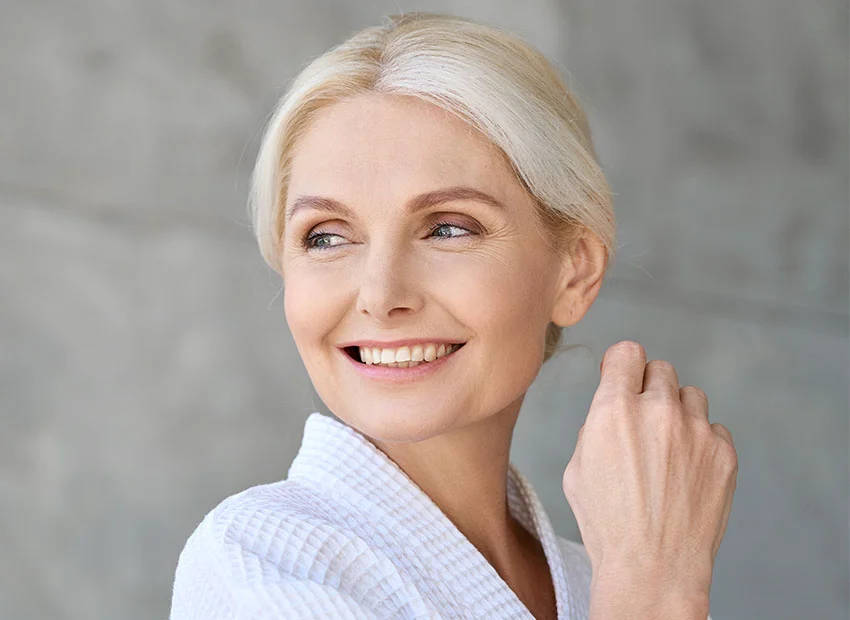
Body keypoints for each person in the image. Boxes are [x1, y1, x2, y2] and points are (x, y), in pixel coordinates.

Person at [170, 11, 736, 619]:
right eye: (327, 237)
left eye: (447, 228)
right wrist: (652, 588)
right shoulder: (260, 564)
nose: (380, 293)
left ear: (573, 272)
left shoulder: (598, 576)